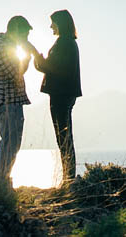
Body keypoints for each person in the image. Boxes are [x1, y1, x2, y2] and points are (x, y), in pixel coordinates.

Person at [33, 10, 82, 185]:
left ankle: (68, 179)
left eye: (53, 22)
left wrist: (38, 58)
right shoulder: (68, 42)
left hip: (61, 94)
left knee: (63, 137)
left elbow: (53, 68)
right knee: (64, 136)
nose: (50, 26)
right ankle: (68, 177)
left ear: (60, 23)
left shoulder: (64, 43)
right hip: (65, 94)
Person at [0, 16, 33, 186]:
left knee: (9, 143)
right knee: (10, 144)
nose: (27, 38)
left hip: (5, 103)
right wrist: (28, 57)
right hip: (7, 104)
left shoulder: (5, 45)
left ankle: (0, 181)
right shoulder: (2, 47)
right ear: (17, 31)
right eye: (26, 34)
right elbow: (15, 74)